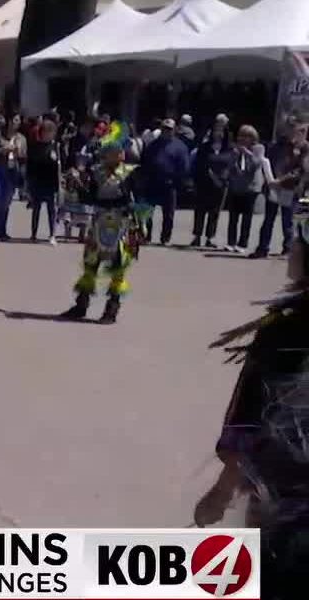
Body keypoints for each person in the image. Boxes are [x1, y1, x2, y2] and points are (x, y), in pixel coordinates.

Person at [195, 216, 309, 597]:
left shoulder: (286, 328)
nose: (290, 248)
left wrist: (222, 492)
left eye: (298, 242)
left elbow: (249, 420)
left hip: (287, 508)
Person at [59, 125, 148, 325]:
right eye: (113, 151)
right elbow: (89, 198)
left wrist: (141, 225)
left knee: (118, 267)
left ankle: (112, 309)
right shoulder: (96, 173)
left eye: (120, 151)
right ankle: (81, 305)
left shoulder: (130, 173)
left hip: (121, 225)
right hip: (99, 223)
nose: (119, 154)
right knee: (91, 263)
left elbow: (139, 200)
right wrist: (77, 184)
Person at [253, 121, 308, 259]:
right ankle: (262, 248)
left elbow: (301, 169)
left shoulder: (304, 147)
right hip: (273, 187)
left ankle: (288, 249)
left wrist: (282, 180)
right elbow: (268, 163)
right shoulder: (276, 145)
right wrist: (269, 180)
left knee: (287, 220)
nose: (290, 132)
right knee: (268, 219)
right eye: (288, 128)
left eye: (294, 129)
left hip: (290, 188)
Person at [138, 118, 191, 245]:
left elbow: (184, 166)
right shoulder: (153, 145)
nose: (167, 131)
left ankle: (165, 238)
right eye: (165, 129)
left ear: (174, 130)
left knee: (169, 215)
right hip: (152, 182)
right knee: (147, 213)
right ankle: (146, 236)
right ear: (161, 129)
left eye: (169, 129)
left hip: (170, 184)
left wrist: (178, 181)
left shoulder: (180, 146)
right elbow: (145, 161)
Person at [192, 118, 233, 248]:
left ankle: (210, 238)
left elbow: (230, 166)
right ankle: (197, 236)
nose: (218, 133)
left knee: (214, 212)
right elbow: (198, 164)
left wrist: (222, 179)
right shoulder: (204, 147)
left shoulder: (229, 149)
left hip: (220, 185)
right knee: (200, 211)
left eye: (221, 130)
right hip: (204, 183)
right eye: (216, 130)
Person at [0, 113, 26, 242]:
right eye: (14, 119)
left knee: (6, 203)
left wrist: (19, 152)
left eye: (18, 120)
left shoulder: (21, 138)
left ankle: (2, 231)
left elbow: (24, 156)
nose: (15, 122)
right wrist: (3, 149)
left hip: (12, 172)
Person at [224, 125, 264, 254]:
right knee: (233, 217)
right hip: (236, 186)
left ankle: (242, 243)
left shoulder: (258, 148)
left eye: (247, 136)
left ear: (253, 138)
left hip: (251, 188)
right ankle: (231, 243)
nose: (244, 138)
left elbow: (257, 163)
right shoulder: (235, 149)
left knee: (247, 218)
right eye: (241, 135)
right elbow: (231, 167)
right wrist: (235, 156)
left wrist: (247, 152)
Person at [24, 119, 62, 245]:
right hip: (37, 182)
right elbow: (30, 165)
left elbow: (60, 165)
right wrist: (28, 183)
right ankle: (33, 234)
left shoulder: (56, 146)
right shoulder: (35, 147)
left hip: (51, 183)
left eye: (52, 132)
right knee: (36, 209)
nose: (50, 134)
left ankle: (52, 235)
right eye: (47, 132)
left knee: (52, 210)